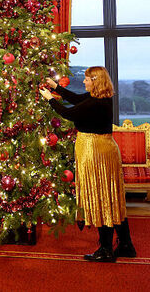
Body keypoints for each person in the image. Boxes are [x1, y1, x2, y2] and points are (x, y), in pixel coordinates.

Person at [39, 66, 135, 262]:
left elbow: (68, 113)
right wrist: (56, 87)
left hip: (95, 151)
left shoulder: (95, 103)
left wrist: (49, 99)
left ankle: (106, 250)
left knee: (100, 198)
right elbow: (76, 99)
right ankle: (126, 245)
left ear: (96, 81)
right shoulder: (100, 99)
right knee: (111, 198)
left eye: (87, 79)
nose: (84, 82)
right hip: (104, 149)